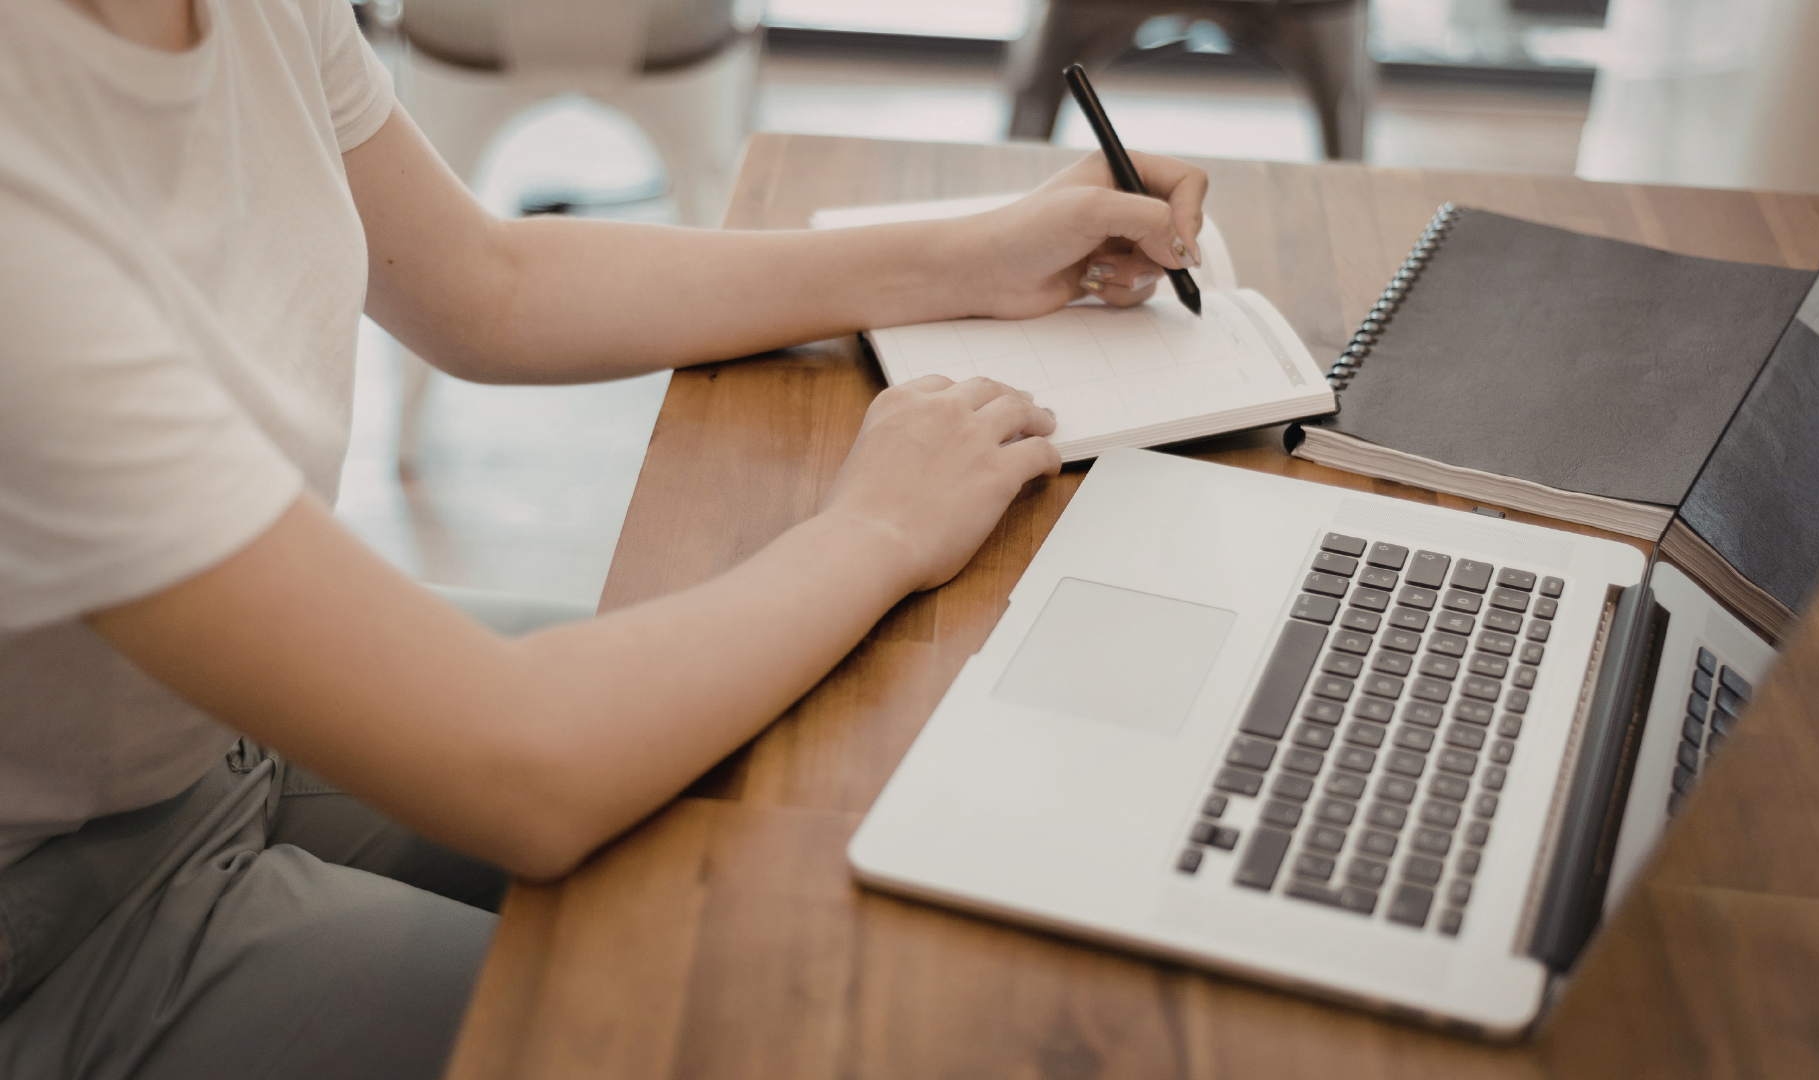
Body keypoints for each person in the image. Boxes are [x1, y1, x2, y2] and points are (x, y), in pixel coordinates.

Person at [0, 0, 1209, 1076]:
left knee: (825, 780)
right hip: (57, 918)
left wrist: (972, 258)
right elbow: (529, 766)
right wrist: (878, 526)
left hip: (201, 729)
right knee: (720, 1013)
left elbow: (486, 283)